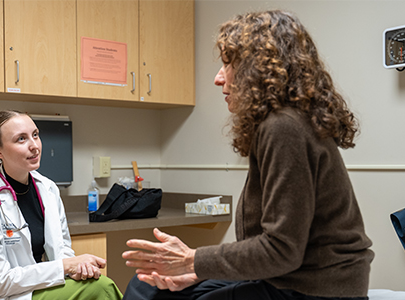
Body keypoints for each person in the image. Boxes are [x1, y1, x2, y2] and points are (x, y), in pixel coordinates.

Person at [122, 10, 374, 300]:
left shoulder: (284, 128)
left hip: (317, 290)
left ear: (258, 70)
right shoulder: (282, 124)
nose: (218, 79)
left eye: (228, 64)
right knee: (145, 287)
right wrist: (197, 270)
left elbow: (282, 250)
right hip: (284, 279)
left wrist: (192, 260)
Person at [0, 110, 123, 300]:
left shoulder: (48, 189)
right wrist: (66, 266)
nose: (34, 146)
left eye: (35, 135)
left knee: (96, 283)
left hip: (35, 288)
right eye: (21, 139)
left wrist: (75, 268)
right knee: (102, 288)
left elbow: (62, 248)